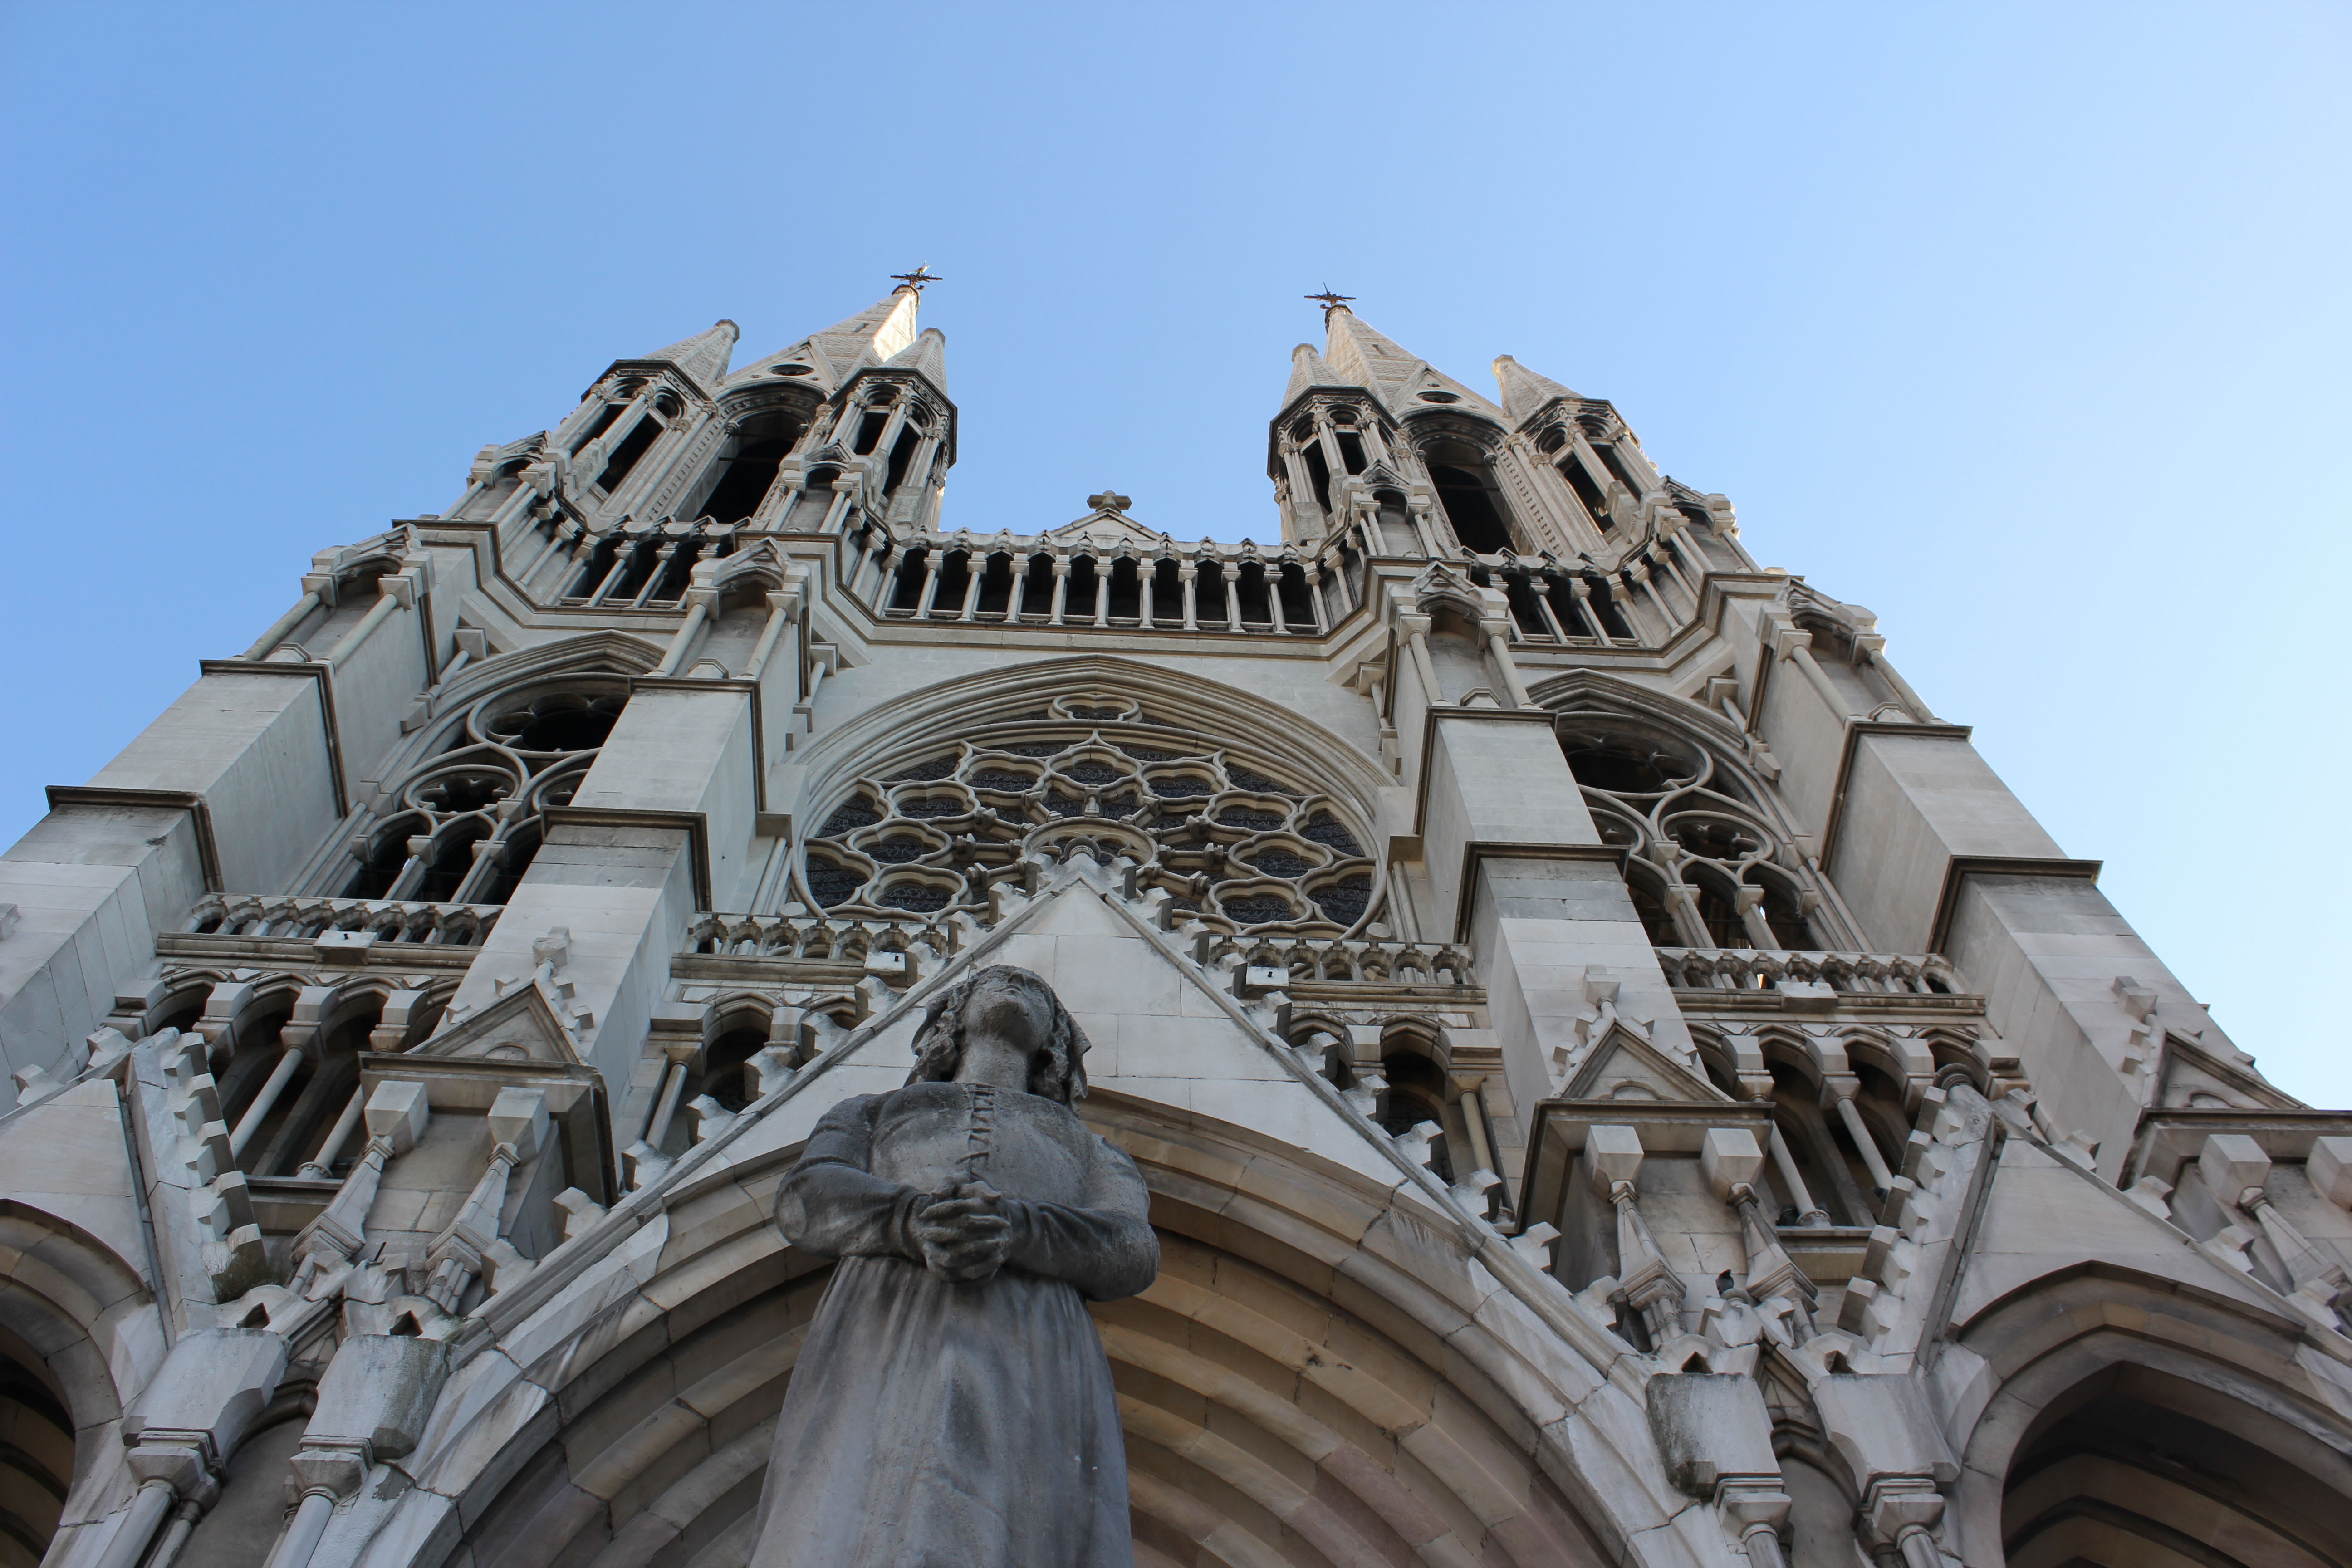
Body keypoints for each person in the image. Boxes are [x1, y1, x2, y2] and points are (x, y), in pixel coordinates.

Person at [750, 965, 1158, 1568]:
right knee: (848, 1494)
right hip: (888, 1314)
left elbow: (1131, 1248)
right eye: (992, 981)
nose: (1016, 987)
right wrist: (910, 1220)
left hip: (1031, 1333)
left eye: (1038, 992)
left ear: (1055, 1042)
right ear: (952, 1015)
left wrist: (1020, 1229)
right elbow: (806, 1197)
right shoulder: (872, 1111)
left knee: (1024, 1513)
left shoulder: (1091, 1147)